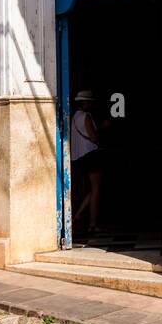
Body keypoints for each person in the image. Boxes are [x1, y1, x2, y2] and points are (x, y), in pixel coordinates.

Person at [70, 89, 105, 236]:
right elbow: (94, 137)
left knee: (91, 190)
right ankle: (92, 224)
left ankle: (78, 215)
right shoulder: (86, 116)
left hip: (80, 156)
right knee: (96, 189)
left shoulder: (74, 117)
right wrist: (104, 128)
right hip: (92, 154)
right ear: (86, 103)